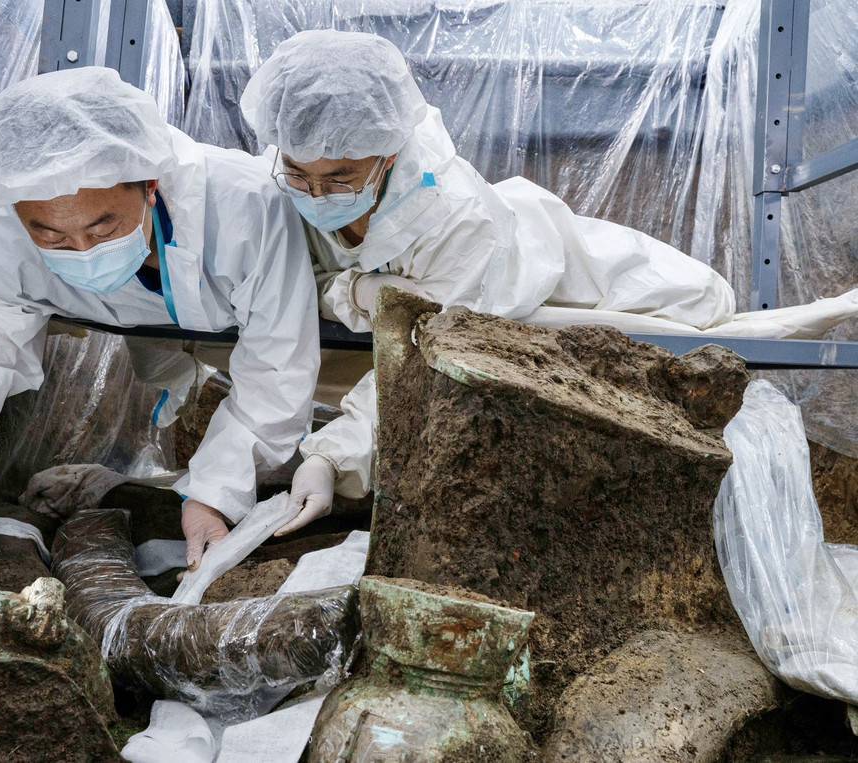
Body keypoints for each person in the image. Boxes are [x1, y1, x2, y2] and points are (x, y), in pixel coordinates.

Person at [239, 29, 857, 536]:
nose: (316, 194)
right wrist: (358, 295)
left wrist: (331, 455)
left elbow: (423, 354)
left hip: (560, 267)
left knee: (698, 306)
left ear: (389, 155)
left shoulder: (460, 218)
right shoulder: (293, 176)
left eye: (341, 178)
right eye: (299, 174)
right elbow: (302, 276)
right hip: (486, 281)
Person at [0, 67, 319, 594]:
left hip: (247, 325)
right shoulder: (7, 240)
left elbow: (276, 367)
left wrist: (213, 496)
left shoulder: (245, 207)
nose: (83, 250)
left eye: (104, 227)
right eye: (52, 236)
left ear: (150, 184)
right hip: (160, 331)